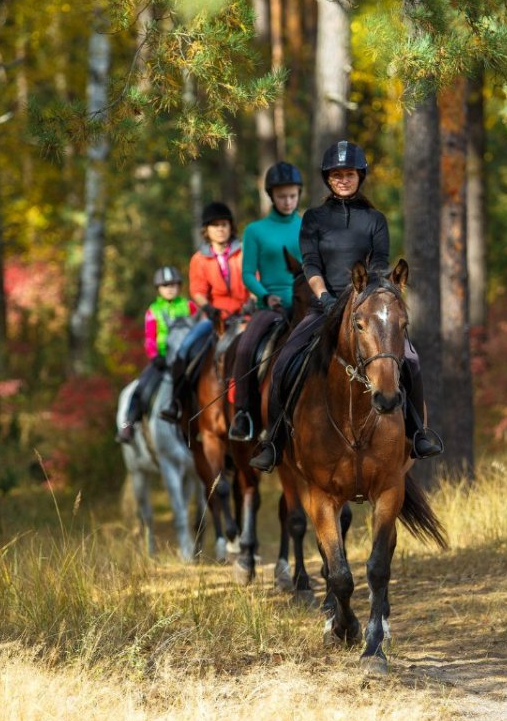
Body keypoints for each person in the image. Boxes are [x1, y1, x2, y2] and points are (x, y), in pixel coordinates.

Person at [248, 140, 443, 472]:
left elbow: (379, 266)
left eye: (349, 174)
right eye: (336, 174)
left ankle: (417, 432)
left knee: (409, 358)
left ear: (359, 176)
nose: (342, 179)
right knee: (284, 361)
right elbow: (310, 265)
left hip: (364, 305)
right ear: (327, 178)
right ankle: (275, 440)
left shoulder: (375, 219)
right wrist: (323, 297)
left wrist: (363, 300)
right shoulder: (313, 218)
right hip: (322, 306)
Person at [228, 162, 304, 442]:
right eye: (282, 196)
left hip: (305, 306)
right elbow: (247, 273)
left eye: (293, 195)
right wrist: (264, 295)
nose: (288, 201)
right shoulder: (255, 230)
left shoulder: (307, 225)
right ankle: (243, 414)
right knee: (246, 348)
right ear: (272, 196)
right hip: (270, 306)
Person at [161, 201, 249, 421]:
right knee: (185, 348)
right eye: (215, 225)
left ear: (231, 227)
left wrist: (252, 301)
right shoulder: (199, 259)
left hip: (245, 315)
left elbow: (254, 279)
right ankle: (176, 404)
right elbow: (197, 291)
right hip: (214, 318)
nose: (220, 229)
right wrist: (208, 308)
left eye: (224, 224)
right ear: (206, 230)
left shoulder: (244, 252)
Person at [116, 265, 197, 443]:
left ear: (179, 286)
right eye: (165, 285)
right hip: (163, 361)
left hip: (188, 360)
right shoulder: (153, 311)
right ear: (159, 289)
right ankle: (127, 425)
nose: (169, 289)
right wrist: (155, 356)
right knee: (141, 389)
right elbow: (150, 338)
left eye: (173, 285)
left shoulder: (189, 307)